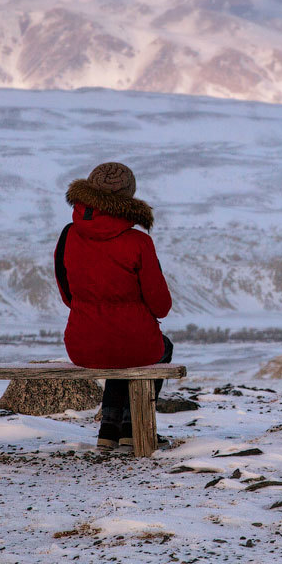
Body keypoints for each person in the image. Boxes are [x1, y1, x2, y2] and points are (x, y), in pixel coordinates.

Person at [54, 162, 173, 451]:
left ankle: (108, 428)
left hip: (82, 344)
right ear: (129, 198)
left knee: (117, 351)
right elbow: (161, 306)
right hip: (134, 342)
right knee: (154, 349)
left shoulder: (68, 235)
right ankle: (133, 428)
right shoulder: (139, 241)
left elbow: (67, 294)